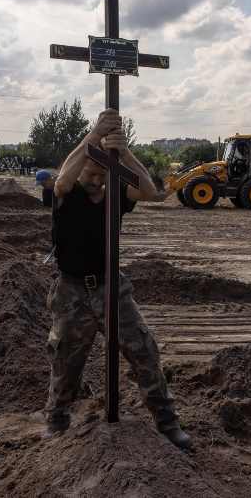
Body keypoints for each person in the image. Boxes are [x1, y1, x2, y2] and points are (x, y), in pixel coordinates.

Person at [45, 109, 192, 450]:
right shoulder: (66, 194)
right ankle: (56, 421)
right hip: (71, 291)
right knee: (66, 361)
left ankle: (168, 423)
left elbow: (151, 191)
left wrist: (123, 152)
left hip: (112, 287)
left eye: (102, 175)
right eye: (91, 174)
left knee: (144, 351)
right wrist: (93, 135)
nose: (96, 181)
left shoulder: (115, 196)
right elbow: (65, 177)